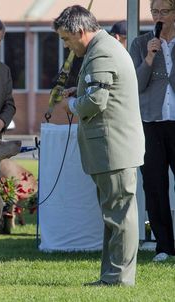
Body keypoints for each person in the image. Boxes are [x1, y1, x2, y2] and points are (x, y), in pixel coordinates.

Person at [54, 5, 145, 286]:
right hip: (114, 147)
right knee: (114, 215)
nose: (67, 46)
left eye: (66, 39)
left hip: (113, 148)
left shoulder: (102, 52)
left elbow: (95, 102)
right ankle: (111, 276)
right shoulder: (103, 47)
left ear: (80, 31)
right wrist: (78, 91)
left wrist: (71, 104)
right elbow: (99, 91)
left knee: (119, 215)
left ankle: (118, 278)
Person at [130, 0, 175, 262]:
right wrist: (149, 57)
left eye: (164, 12)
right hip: (150, 122)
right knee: (155, 185)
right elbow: (136, 85)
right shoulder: (140, 43)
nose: (158, 16)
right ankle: (164, 246)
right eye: (154, 12)